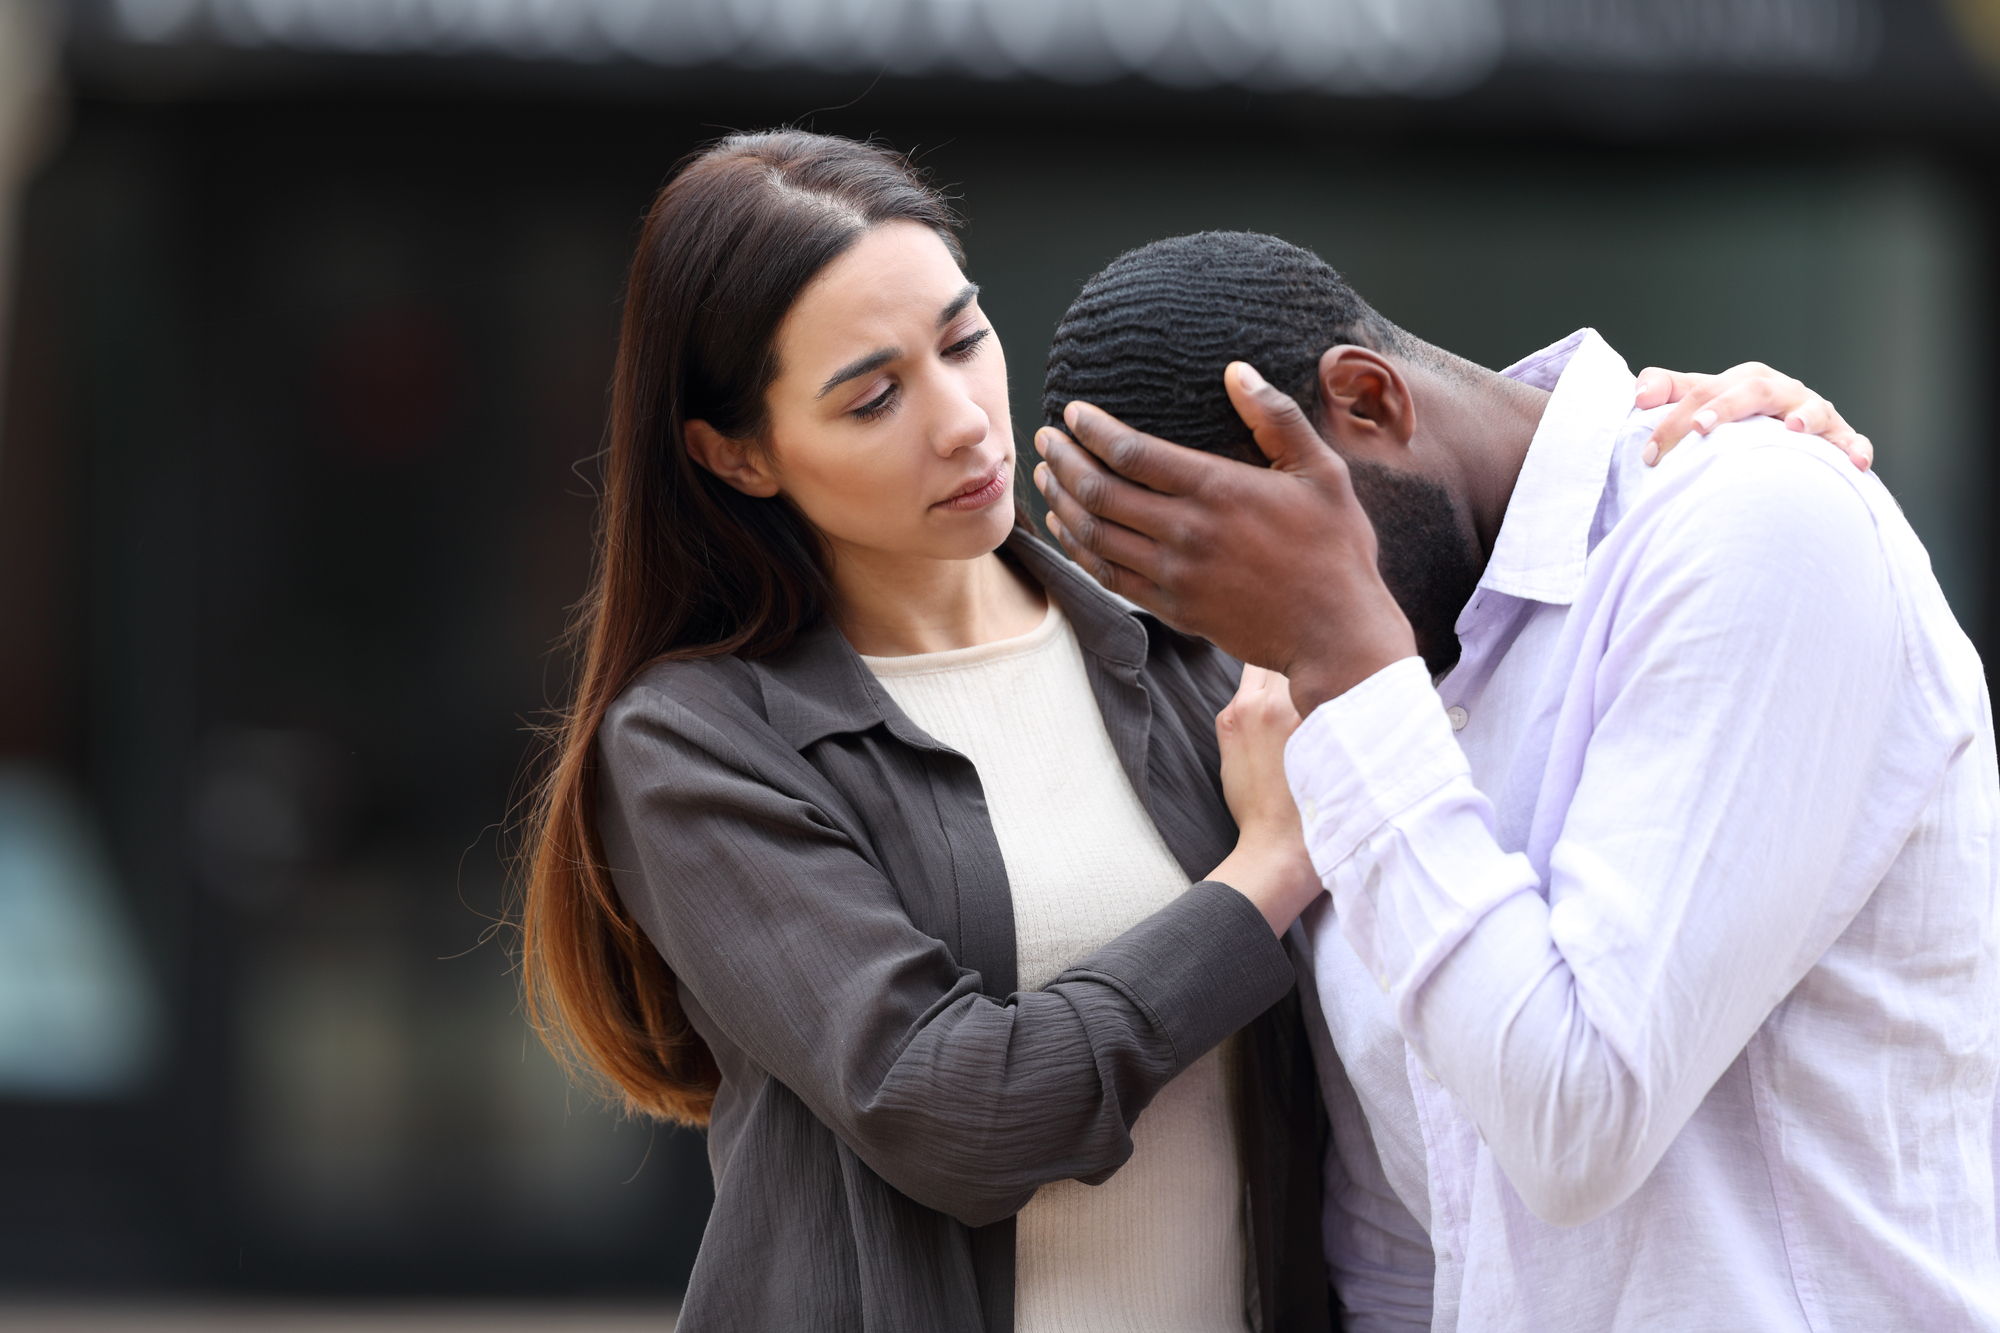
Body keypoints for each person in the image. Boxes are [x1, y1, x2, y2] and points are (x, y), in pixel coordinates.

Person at [520, 135, 1861, 1333]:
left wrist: (1695, 442)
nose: (960, 421)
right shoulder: (697, 743)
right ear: (736, 454)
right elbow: (955, 1113)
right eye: (872, 396)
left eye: (962, 338)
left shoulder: (1201, 653)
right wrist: (1263, 873)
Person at [1032, 230, 2000, 1331]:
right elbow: (1412, 1247)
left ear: (1366, 400)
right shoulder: (1347, 700)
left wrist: (1347, 663)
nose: (1262, 648)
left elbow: (1575, 1120)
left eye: (1278, 571)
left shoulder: (1750, 522)